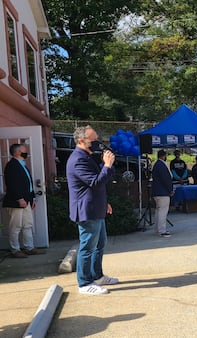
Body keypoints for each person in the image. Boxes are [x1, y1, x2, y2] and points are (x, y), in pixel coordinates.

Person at [67, 126, 119, 295]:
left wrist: (105, 202)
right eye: (93, 140)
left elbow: (99, 185)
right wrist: (107, 165)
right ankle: (84, 282)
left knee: (100, 244)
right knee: (88, 246)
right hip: (86, 210)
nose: (97, 143)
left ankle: (97, 276)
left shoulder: (87, 157)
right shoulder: (78, 160)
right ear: (81, 141)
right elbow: (95, 182)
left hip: (96, 207)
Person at [2, 144, 46, 258]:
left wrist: (33, 198)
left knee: (27, 224)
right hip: (17, 202)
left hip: (27, 201)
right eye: (23, 151)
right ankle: (15, 250)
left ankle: (29, 247)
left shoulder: (23, 165)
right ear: (16, 152)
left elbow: (29, 184)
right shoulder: (11, 166)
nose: (26, 153)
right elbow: (12, 185)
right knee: (16, 226)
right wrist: (19, 199)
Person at [152, 150, 174, 237]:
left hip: (156, 192)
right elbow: (166, 179)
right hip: (162, 192)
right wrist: (170, 189)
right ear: (164, 156)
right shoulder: (161, 165)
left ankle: (157, 229)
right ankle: (162, 230)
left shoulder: (156, 164)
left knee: (158, 211)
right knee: (163, 211)